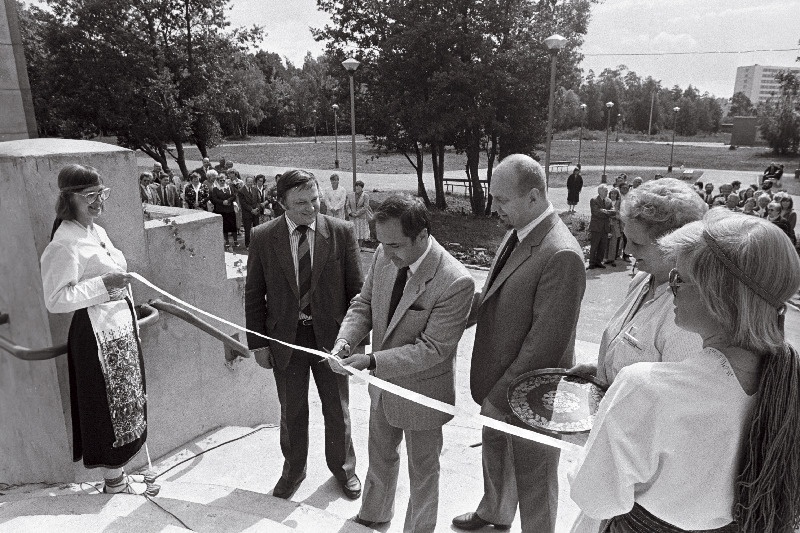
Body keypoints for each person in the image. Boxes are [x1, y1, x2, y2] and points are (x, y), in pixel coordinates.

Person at [571, 209, 800, 533]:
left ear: (716, 297)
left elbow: (595, 499)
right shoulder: (787, 381)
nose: (671, 288)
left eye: (678, 279)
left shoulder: (645, 388)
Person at [452, 154, 586, 533]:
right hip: (499, 380)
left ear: (533, 196)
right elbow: (496, 294)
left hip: (532, 393)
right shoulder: (519, 231)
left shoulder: (560, 253)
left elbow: (545, 345)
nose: (494, 208)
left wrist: (499, 397)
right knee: (496, 454)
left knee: (535, 478)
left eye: (502, 200)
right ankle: (495, 512)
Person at [330, 195, 475, 532]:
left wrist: (371, 360)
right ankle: (374, 515)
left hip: (423, 393)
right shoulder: (386, 253)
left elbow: (432, 349)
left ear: (422, 236)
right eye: (381, 243)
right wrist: (345, 341)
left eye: (394, 245)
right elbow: (364, 304)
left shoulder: (455, 280)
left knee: (423, 472)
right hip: (383, 387)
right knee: (380, 456)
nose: (386, 253)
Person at [244, 169, 364, 502]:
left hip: (332, 341)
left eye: (314, 200)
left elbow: (357, 295)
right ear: (282, 203)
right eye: (300, 203)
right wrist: (258, 344)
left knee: (337, 409)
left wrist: (354, 342)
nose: (311, 208)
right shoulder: (263, 237)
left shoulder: (341, 232)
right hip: (286, 341)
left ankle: (344, 469)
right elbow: (253, 294)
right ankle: (294, 470)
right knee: (292, 410)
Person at [40, 164, 157, 496]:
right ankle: (113, 481)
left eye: (101, 193)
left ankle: (120, 474)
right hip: (95, 335)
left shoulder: (96, 231)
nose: (98, 202)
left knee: (128, 399)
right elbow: (55, 299)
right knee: (107, 407)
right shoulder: (65, 243)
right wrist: (105, 285)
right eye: (89, 196)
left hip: (119, 328)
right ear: (69, 199)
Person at [587, 184, 615, 269]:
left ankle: (599, 262)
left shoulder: (609, 201)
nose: (607, 192)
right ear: (600, 191)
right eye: (605, 191)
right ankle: (592, 263)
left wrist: (605, 211)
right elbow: (596, 212)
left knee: (602, 246)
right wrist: (607, 213)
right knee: (594, 246)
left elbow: (613, 212)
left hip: (605, 227)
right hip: (596, 227)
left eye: (607, 191)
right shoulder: (594, 200)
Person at [210, 173, 238, 248]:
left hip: (230, 209)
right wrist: (222, 202)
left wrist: (228, 200)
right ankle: (227, 241)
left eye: (223, 180)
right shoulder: (215, 189)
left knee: (233, 225)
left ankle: (235, 241)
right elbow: (214, 199)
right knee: (224, 226)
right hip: (221, 210)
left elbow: (234, 196)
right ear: (218, 181)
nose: (222, 182)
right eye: (220, 180)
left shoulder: (229, 187)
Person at [237, 176, 261, 248]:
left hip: (256, 213)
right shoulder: (241, 191)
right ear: (246, 182)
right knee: (247, 230)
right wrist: (251, 210)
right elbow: (243, 204)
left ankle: (256, 244)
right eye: (249, 182)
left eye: (251, 182)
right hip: (247, 213)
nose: (250, 183)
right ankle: (248, 245)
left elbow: (258, 201)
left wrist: (257, 209)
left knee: (256, 229)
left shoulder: (255, 189)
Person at [346, 180, 371, 247]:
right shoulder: (350, 195)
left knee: (361, 234)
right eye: (356, 187)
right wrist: (350, 213)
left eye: (359, 188)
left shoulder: (366, 196)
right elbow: (347, 205)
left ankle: (359, 247)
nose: (357, 189)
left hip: (361, 218)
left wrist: (357, 214)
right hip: (352, 218)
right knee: (353, 233)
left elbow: (365, 207)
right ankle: (354, 247)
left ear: (362, 188)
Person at [604, 188, 623, 266]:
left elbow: (621, 214)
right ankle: (605, 258)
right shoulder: (606, 201)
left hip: (615, 225)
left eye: (615, 194)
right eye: (612, 193)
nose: (613, 195)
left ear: (617, 195)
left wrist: (615, 215)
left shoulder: (619, 203)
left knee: (613, 242)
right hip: (607, 224)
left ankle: (612, 259)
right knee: (606, 241)